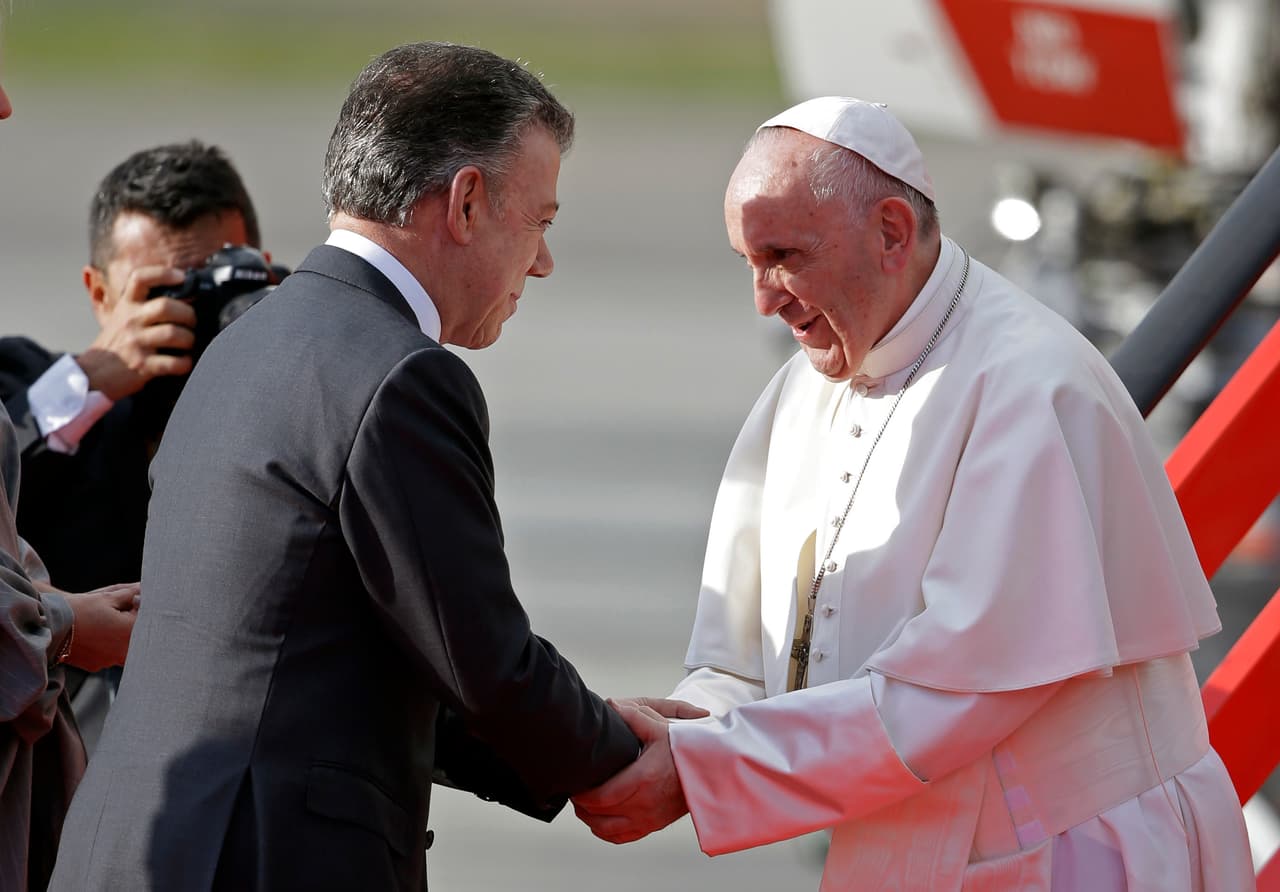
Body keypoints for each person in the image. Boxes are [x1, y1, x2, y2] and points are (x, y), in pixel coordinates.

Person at [573, 97, 1256, 890]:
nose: (764, 298)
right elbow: (754, 657)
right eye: (747, 262)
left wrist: (703, 769)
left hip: (1075, 855)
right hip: (916, 844)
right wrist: (688, 728)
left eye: (785, 254)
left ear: (893, 232)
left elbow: (952, 694)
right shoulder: (807, 385)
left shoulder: (1031, 387)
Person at [50, 42, 645, 891]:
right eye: (540, 221)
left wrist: (589, 734)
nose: (542, 261)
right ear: (468, 202)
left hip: (134, 847)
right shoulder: (402, 375)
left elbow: (330, 650)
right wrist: (638, 756)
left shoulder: (245, 341)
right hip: (253, 861)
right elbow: (484, 662)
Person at [0, 141, 265, 751]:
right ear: (99, 294)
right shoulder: (26, 387)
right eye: (164, 295)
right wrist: (86, 383)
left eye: (210, 288)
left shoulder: (292, 417)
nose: (191, 318)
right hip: (75, 775)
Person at [0, 76, 139, 892]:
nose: (10, 102)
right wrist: (58, 628)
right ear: (98, 292)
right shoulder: (39, 386)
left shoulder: (277, 409)